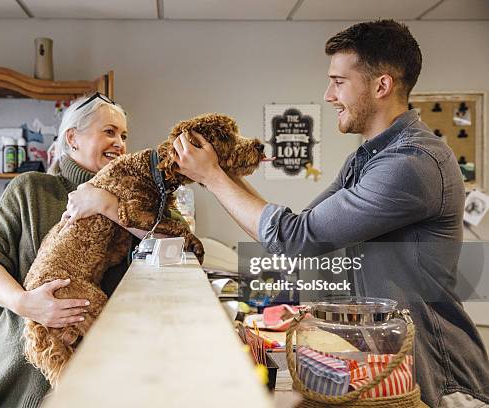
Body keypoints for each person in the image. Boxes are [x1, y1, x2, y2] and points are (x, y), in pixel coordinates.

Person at [171, 20, 489, 407]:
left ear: (381, 85)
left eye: (339, 82)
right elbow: (297, 228)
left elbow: (295, 240)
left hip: (437, 381)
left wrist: (214, 177)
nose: (328, 94)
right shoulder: (368, 158)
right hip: (383, 370)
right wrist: (222, 175)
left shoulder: (412, 164)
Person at [0, 93, 133, 407]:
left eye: (123, 135)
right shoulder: (31, 189)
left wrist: (107, 204)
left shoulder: (128, 203)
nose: (119, 142)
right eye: (109, 131)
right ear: (73, 138)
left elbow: (175, 241)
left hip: (101, 369)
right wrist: (25, 303)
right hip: (21, 366)